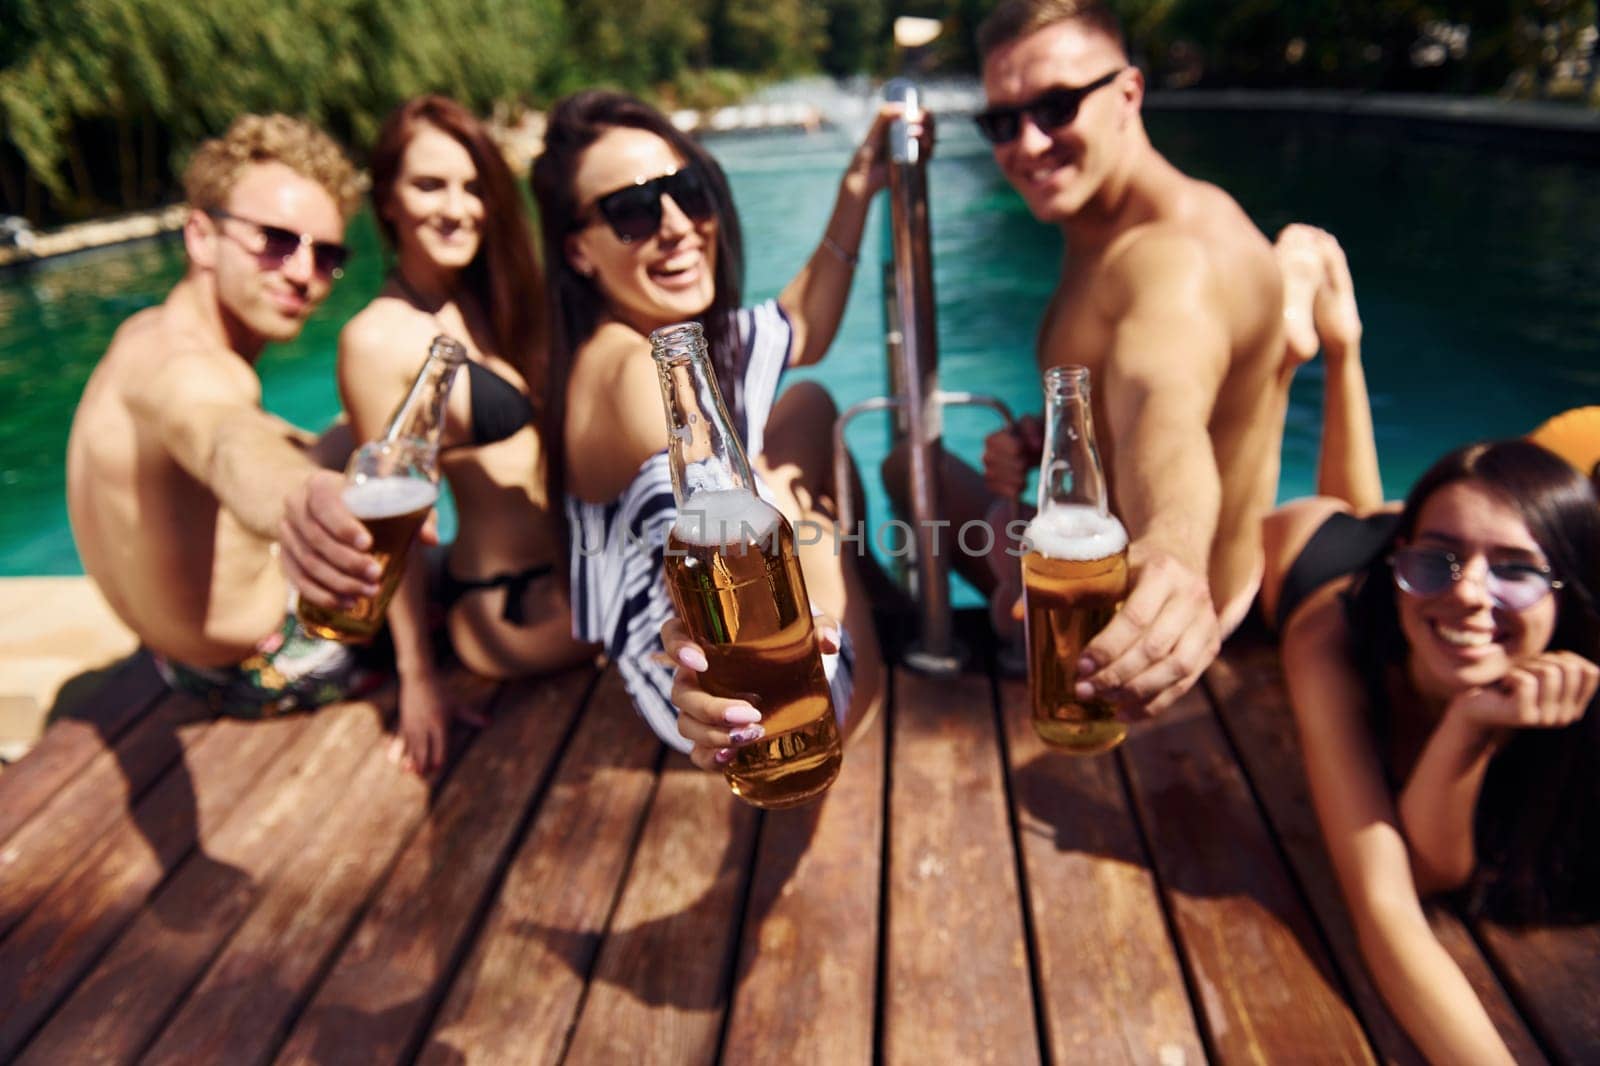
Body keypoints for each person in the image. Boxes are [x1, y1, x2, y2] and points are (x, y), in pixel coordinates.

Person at [1264, 235, 1600, 1065]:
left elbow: (1435, 865)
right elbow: (1390, 909)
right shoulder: (1330, 640)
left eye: (1520, 571)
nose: (1476, 594)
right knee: (1314, 521)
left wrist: (1467, 727)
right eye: (1443, 561)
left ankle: (1346, 351)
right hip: (1311, 557)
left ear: (1570, 590)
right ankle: (1283, 358)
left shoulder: (1474, 593)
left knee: (1389, 515)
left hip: (1401, 553)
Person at [902, 0, 1290, 719]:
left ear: (1129, 94)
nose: (1029, 142)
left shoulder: (1177, 258)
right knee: (907, 470)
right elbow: (1121, 403)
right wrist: (1045, 443)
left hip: (1166, 635)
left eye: (1055, 106)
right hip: (1089, 568)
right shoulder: (1096, 225)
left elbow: (1161, 410)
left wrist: (1171, 551)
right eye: (1001, 122)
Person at [530, 89, 902, 769]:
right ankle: (876, 624)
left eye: (686, 190)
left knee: (811, 402)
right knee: (803, 509)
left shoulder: (640, 346)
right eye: (632, 212)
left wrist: (859, 186)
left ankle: (859, 589)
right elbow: (722, 582)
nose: (675, 224)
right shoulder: (638, 374)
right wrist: (802, 508)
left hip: (652, 658)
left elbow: (802, 327)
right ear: (579, 253)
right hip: (761, 711)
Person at [308, 96, 591, 777]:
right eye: (429, 185)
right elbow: (390, 519)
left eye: (472, 188)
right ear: (388, 202)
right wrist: (419, 681)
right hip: (507, 604)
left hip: (570, 577)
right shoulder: (377, 339)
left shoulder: (489, 300)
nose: (457, 207)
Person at [67, 114, 368, 717]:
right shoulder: (192, 373)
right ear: (201, 236)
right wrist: (301, 502)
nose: (304, 274)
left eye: (326, 253)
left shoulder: (144, 336)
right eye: (275, 242)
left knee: (371, 429)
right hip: (262, 669)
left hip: (172, 659)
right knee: (457, 588)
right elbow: (221, 438)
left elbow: (242, 436)